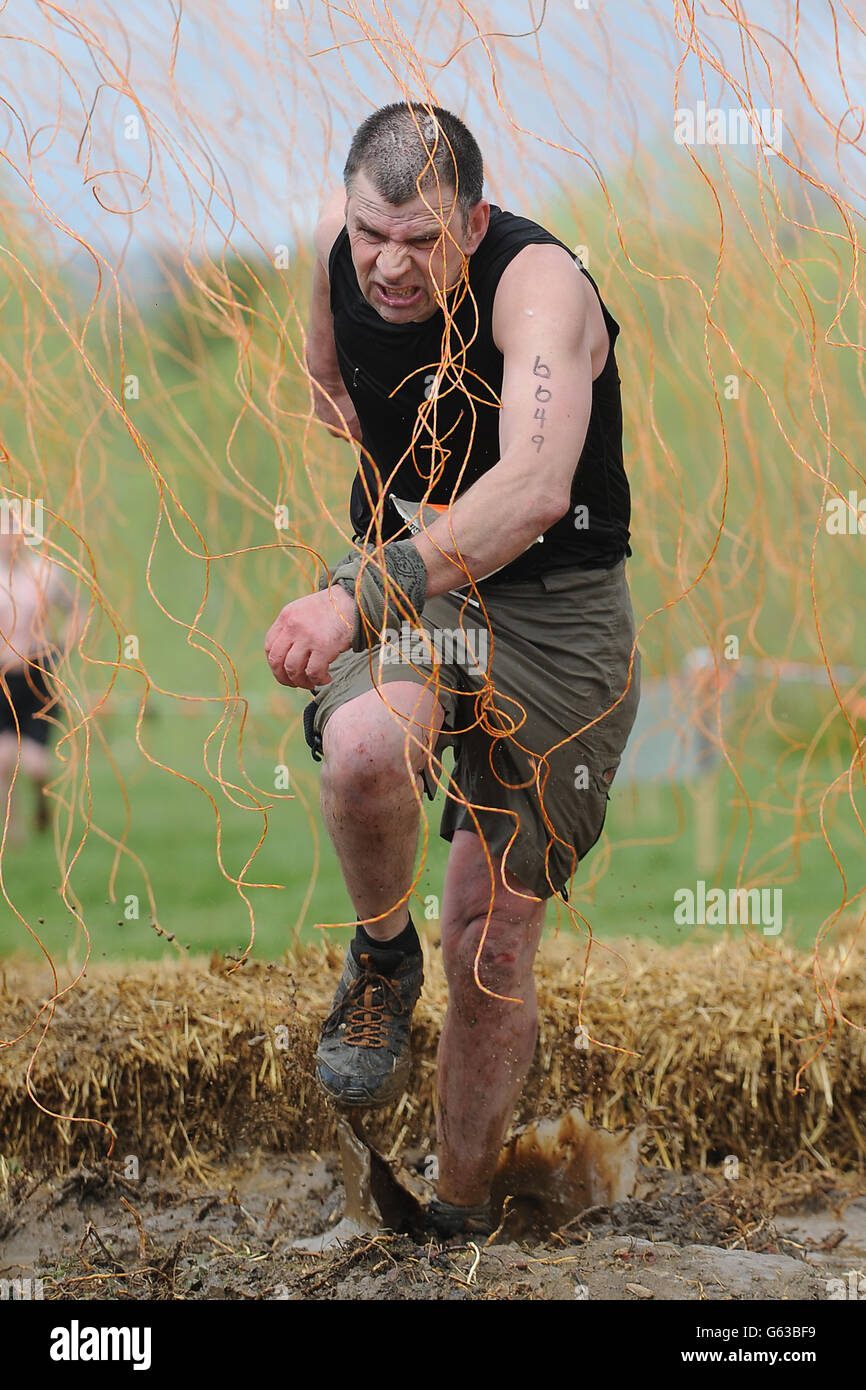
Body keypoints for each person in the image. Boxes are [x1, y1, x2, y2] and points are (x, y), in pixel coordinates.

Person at [265, 101, 641, 1237]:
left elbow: (531, 488)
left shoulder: (541, 287)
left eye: (420, 240)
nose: (387, 262)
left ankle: (460, 1216)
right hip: (420, 582)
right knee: (368, 748)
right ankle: (381, 960)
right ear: (347, 209)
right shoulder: (337, 262)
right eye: (370, 230)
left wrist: (360, 590)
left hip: (557, 616)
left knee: (488, 938)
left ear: (472, 223)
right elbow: (332, 386)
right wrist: (404, 536)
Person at [0, 528, 76, 843]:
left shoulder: (45, 573)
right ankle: (12, 829)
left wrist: (62, 648)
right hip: (2, 674)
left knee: (35, 764)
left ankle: (42, 803)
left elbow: (77, 608)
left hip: (37, 673)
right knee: (2, 758)